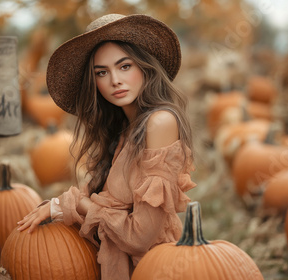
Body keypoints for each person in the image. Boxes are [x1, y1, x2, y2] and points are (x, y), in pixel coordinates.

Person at [17, 13, 196, 279]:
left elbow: (139, 237)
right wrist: (59, 206)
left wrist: (74, 205)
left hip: (156, 270)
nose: (114, 80)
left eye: (124, 66)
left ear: (145, 66)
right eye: (102, 72)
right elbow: (106, 212)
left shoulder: (160, 122)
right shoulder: (123, 129)